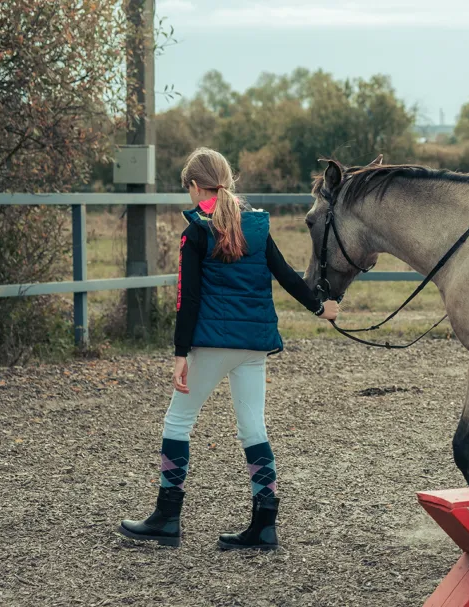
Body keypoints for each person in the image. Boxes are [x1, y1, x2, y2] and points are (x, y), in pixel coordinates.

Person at [119, 147, 339, 550]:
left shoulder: (196, 232)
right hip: (253, 346)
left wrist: (179, 353)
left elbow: (188, 298)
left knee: (178, 422)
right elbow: (287, 275)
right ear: (228, 181)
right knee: (253, 427)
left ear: (193, 186)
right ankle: (264, 524)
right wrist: (320, 307)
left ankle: (167, 518)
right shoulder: (256, 226)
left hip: (211, 344)